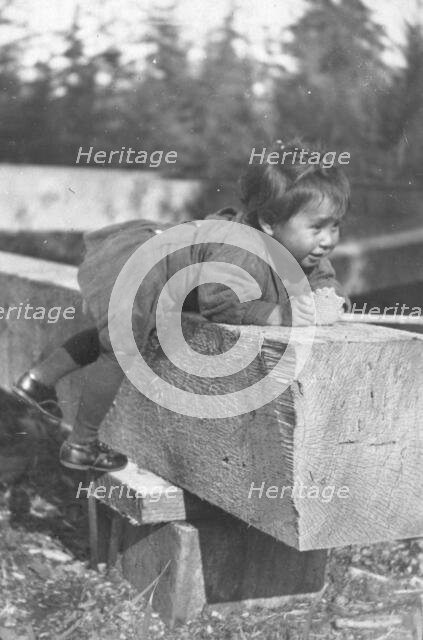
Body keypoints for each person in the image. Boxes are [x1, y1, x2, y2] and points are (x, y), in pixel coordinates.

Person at [13, 140, 350, 472]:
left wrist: (333, 300)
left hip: (165, 277)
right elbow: (221, 303)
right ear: (268, 224)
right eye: (317, 227)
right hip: (143, 263)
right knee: (120, 346)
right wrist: (284, 315)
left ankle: (38, 380)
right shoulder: (242, 249)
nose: (328, 239)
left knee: (116, 336)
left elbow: (323, 281)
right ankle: (81, 445)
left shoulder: (304, 252)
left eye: (335, 225)